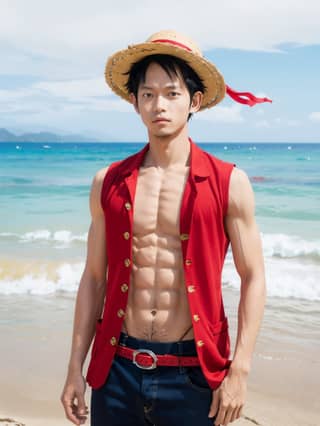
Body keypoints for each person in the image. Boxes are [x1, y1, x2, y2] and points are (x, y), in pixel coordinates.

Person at [61, 30, 268, 426]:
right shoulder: (108, 182)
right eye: (148, 94)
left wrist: (239, 370)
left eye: (172, 93)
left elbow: (254, 276)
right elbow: (93, 278)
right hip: (117, 369)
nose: (159, 105)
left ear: (194, 101)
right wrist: (75, 366)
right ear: (135, 103)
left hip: (193, 375)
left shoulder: (229, 183)